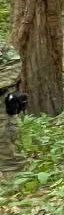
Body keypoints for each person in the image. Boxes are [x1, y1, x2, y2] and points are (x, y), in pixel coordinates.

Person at [0, 41, 23, 177]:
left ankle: (12, 173)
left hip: (2, 99)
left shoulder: (2, 47)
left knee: (4, 135)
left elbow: (13, 66)